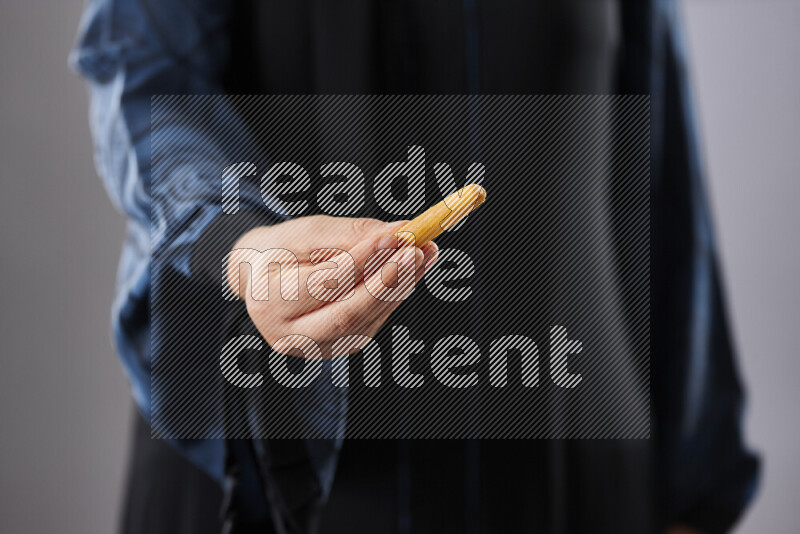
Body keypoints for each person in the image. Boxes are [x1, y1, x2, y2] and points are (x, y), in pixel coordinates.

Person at [71, 0, 759, 533]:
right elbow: (145, 69)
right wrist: (238, 242)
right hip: (267, 473)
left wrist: (695, 494)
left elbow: (658, 165)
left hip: (566, 479)